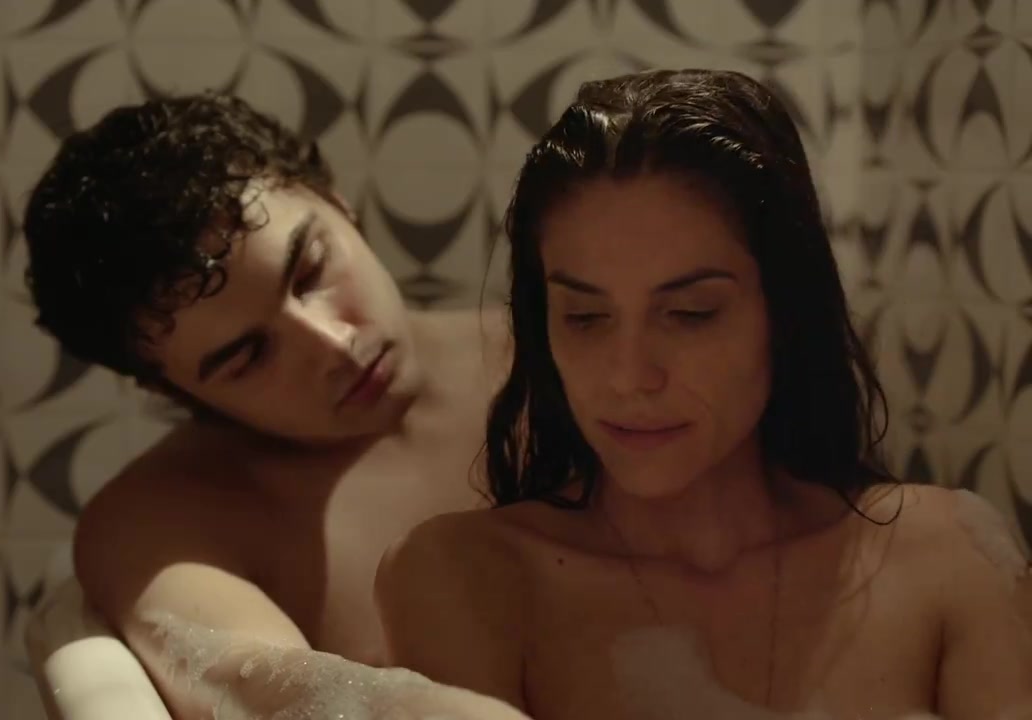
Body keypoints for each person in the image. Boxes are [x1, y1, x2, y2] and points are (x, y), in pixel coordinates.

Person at [375, 68, 1032, 720]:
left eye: (690, 314)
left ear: (785, 310)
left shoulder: (948, 558)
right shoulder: (468, 579)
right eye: (585, 317)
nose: (629, 376)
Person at [21, 91, 528, 718]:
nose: (335, 345)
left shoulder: (569, 365)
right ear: (172, 389)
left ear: (336, 202)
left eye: (310, 270)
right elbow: (262, 688)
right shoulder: (166, 522)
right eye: (248, 355)